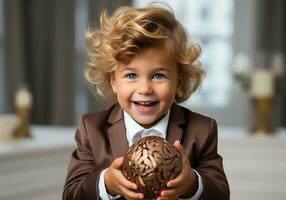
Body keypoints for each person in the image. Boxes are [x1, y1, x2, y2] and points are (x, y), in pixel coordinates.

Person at [63, 4, 229, 200]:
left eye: (158, 76)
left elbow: (220, 194)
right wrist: (106, 183)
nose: (145, 88)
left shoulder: (201, 130)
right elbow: (71, 194)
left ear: (179, 82)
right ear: (113, 81)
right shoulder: (92, 129)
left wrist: (192, 183)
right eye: (131, 75)